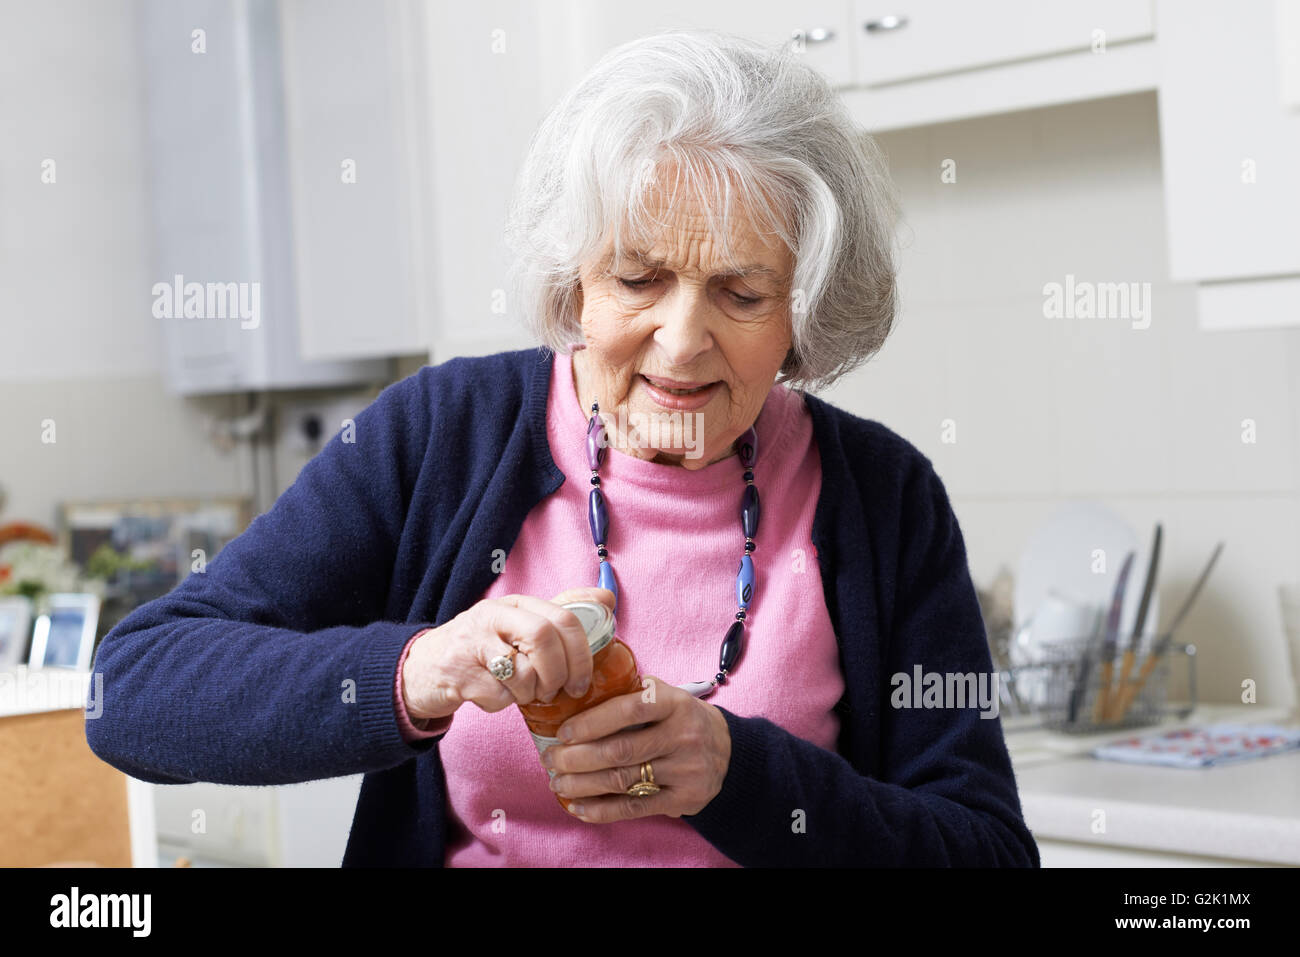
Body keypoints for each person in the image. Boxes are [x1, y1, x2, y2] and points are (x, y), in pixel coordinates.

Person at [86, 29, 1039, 867]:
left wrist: (739, 775)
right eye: (637, 278)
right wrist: (419, 670)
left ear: (804, 315)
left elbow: (989, 851)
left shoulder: (883, 495)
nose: (680, 339)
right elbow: (131, 692)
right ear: (573, 281)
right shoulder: (442, 434)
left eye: (742, 295)